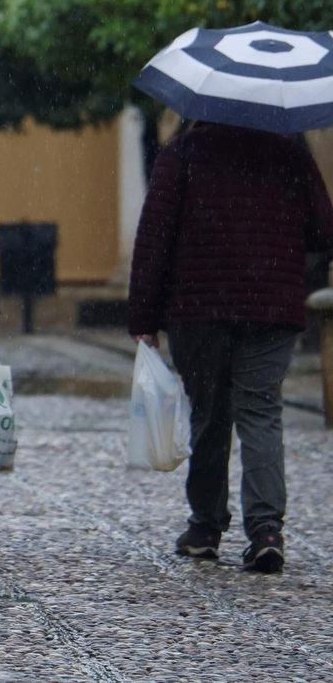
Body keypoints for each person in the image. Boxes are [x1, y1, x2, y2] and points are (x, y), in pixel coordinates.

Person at [128, 120, 333, 574]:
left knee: (210, 413)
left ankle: (205, 528)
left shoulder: (183, 151)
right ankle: (266, 531)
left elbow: (155, 235)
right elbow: (323, 229)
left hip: (198, 308)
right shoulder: (289, 150)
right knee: (261, 411)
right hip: (271, 304)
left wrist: (144, 314)